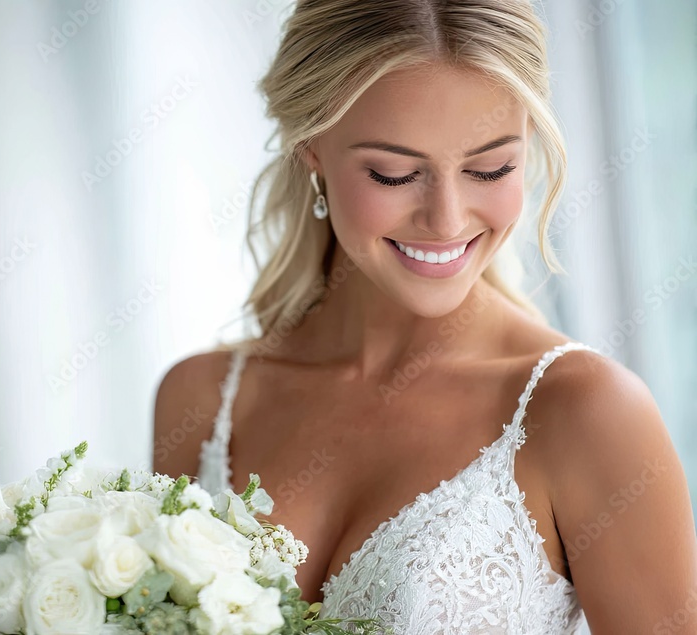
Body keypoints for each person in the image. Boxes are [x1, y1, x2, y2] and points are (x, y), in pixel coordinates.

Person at [152, 0, 697, 632]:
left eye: (490, 168)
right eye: (393, 174)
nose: (446, 220)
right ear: (311, 151)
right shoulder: (201, 398)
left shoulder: (585, 412)